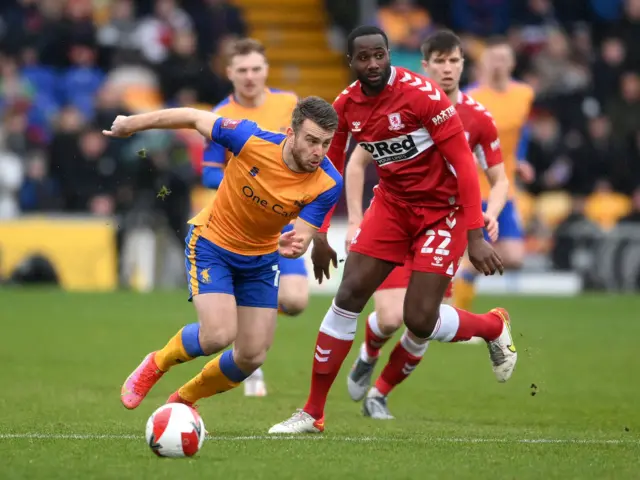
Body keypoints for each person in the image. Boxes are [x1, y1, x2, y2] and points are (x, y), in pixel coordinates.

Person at [268, 26, 516, 435]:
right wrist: (321, 232)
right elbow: (328, 167)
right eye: (363, 58)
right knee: (347, 296)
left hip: (443, 212)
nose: (373, 64)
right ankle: (313, 413)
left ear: (389, 55)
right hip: (392, 206)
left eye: (379, 55)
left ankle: (492, 326)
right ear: (351, 63)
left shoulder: (423, 96)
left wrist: (475, 235)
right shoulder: (346, 105)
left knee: (419, 320)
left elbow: (465, 166)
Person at [104, 97, 343, 411]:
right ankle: (156, 363)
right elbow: (191, 115)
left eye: (326, 144)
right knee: (218, 335)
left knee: (252, 356)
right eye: (312, 141)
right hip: (212, 245)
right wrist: (130, 124)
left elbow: (302, 234)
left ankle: (183, 401)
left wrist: (295, 244)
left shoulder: (329, 182)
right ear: (290, 133)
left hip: (261, 259)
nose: (319, 152)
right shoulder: (249, 138)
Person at [344, 30, 510, 420]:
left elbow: (498, 177)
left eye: (454, 61)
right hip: (396, 217)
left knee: (422, 323)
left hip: (443, 222)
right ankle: (369, 351)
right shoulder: (400, 102)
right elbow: (356, 162)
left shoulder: (479, 118)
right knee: (389, 317)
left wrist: (491, 213)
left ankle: (379, 395)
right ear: (426, 65)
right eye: (440, 61)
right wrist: (353, 218)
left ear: (463, 65)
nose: (447, 69)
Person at [202, 38, 304, 397]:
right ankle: (250, 359)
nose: (249, 76)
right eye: (241, 70)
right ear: (229, 73)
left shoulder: (289, 105)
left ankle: (249, 336)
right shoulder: (221, 115)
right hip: (242, 226)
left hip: (283, 221)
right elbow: (209, 172)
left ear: (266, 71)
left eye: (255, 69)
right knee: (262, 307)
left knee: (295, 301)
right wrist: (249, 182)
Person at [452, 36, 535, 312]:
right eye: (492, 58)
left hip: (505, 187)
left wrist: (521, 160)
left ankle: (461, 272)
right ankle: (458, 311)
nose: (498, 64)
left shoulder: (524, 95)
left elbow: (520, 132)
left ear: (512, 63)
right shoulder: (471, 99)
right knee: (477, 250)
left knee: (515, 256)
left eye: (503, 58)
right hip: (475, 187)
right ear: (483, 64)